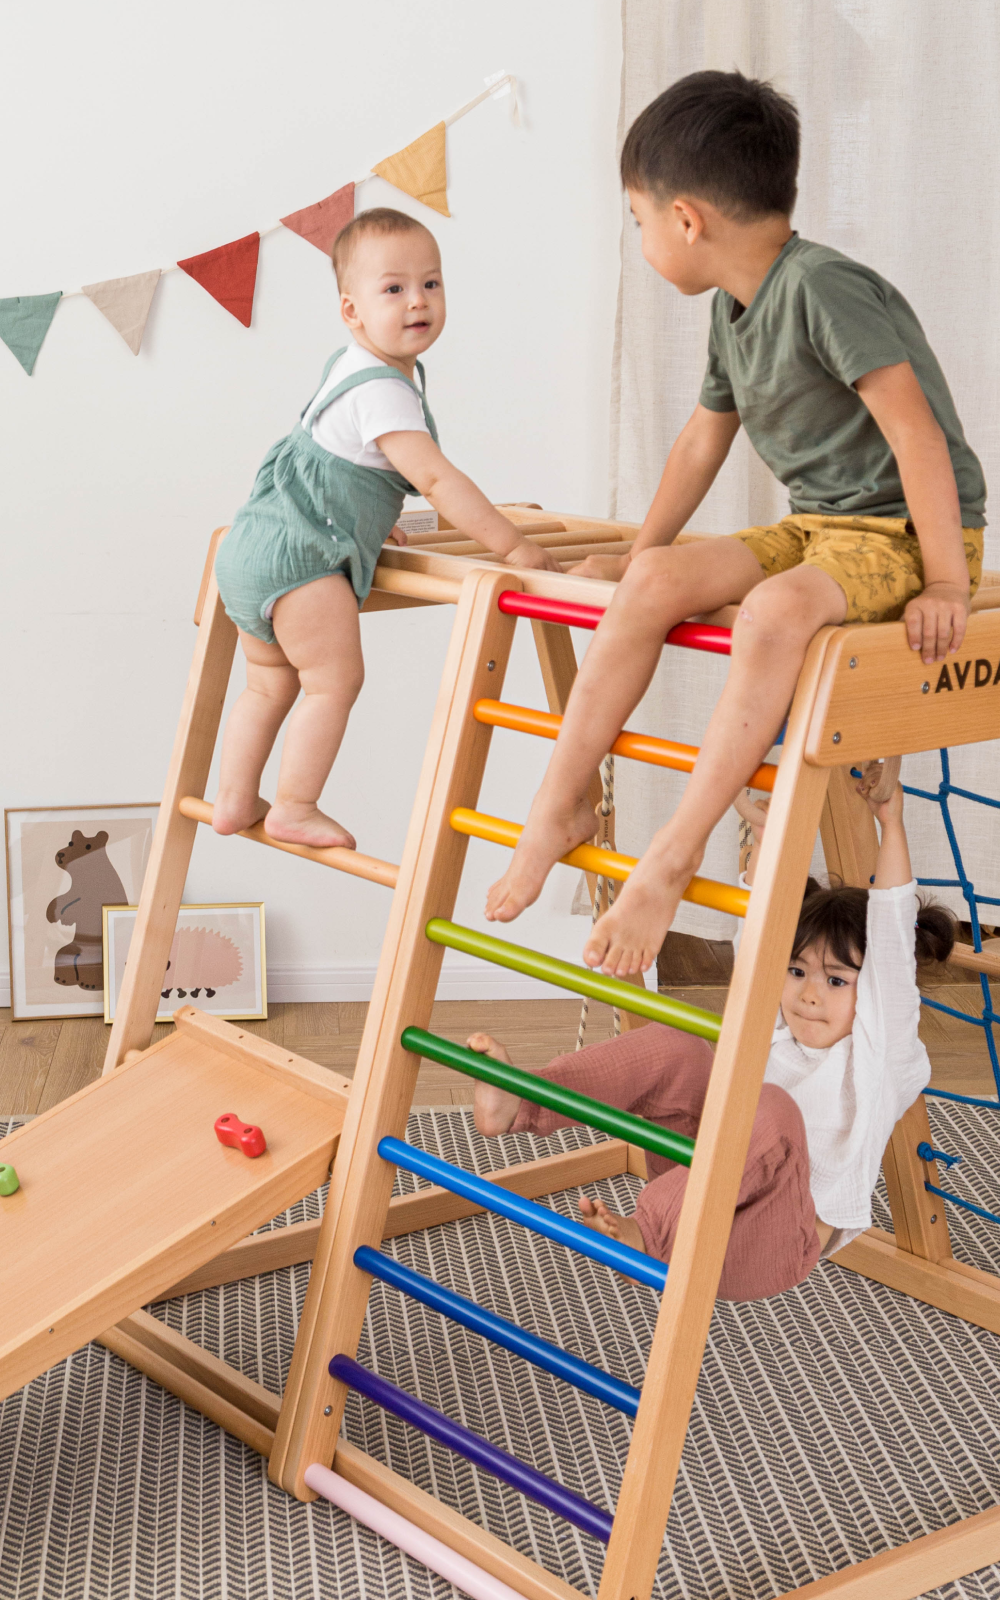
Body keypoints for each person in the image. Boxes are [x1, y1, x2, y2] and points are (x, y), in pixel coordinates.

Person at [484, 70, 985, 978]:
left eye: (637, 220)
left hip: (902, 536)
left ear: (686, 219)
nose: (640, 238)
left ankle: (673, 854)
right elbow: (698, 445)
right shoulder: (734, 308)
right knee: (654, 581)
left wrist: (948, 579)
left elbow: (916, 436)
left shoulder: (824, 288)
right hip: (820, 527)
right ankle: (561, 802)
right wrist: (638, 558)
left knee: (774, 612)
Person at [469, 778, 954, 1299]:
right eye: (797, 972)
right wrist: (766, 837)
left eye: (836, 981)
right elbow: (760, 935)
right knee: (680, 1048)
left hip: (769, 1244)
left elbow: (890, 942)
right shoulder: (774, 1029)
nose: (810, 995)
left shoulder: (880, 1055)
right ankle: (524, 1101)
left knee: (769, 1107)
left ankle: (647, 1236)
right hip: (702, 1195)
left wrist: (890, 822)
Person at [212, 207, 558, 851]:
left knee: (268, 683)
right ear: (353, 310)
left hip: (251, 547)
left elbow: (339, 469)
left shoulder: (348, 366)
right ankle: (294, 805)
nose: (417, 300)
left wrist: (372, 522)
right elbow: (436, 480)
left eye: (431, 283)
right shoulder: (385, 392)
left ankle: (233, 798)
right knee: (334, 683)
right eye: (394, 288)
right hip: (301, 563)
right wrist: (512, 544)